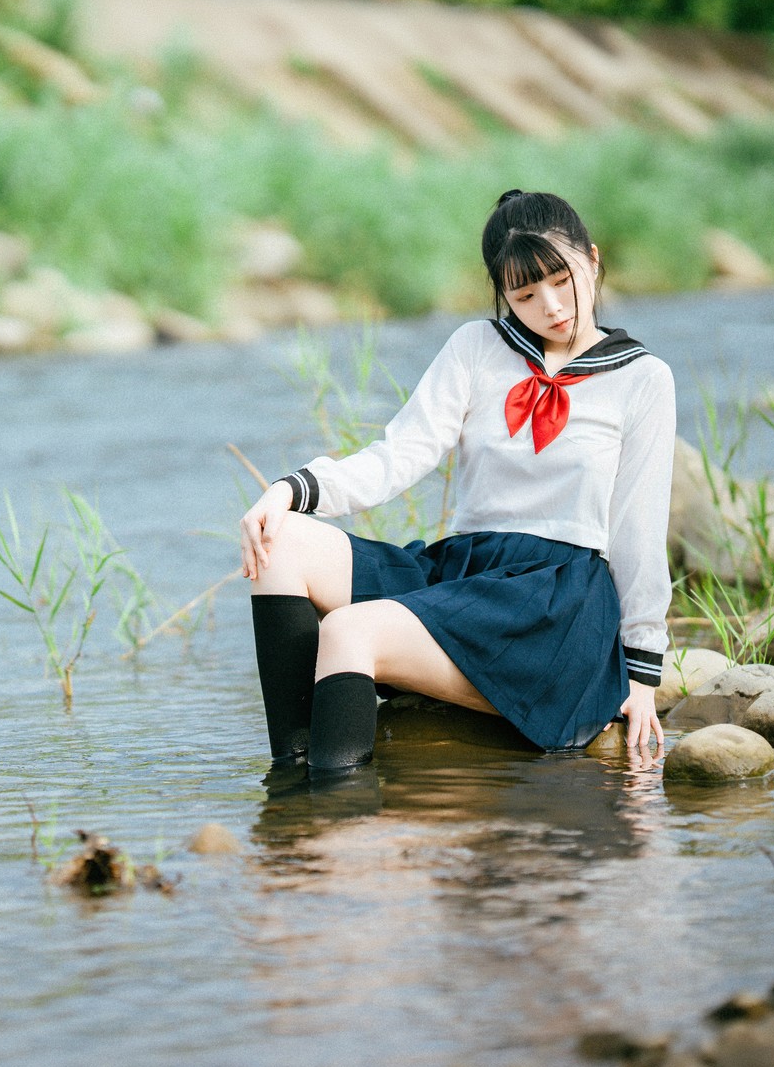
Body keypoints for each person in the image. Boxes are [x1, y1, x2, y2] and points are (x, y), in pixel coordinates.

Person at [239, 189, 674, 775]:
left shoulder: (644, 378)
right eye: (525, 295)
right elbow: (398, 455)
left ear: (592, 261)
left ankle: (333, 819)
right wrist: (290, 491)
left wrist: (642, 674)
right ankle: (293, 784)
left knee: (348, 631)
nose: (551, 306)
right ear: (503, 294)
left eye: (562, 280)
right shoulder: (477, 347)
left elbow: (638, 529)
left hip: (553, 604)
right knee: (278, 542)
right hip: (467, 572)